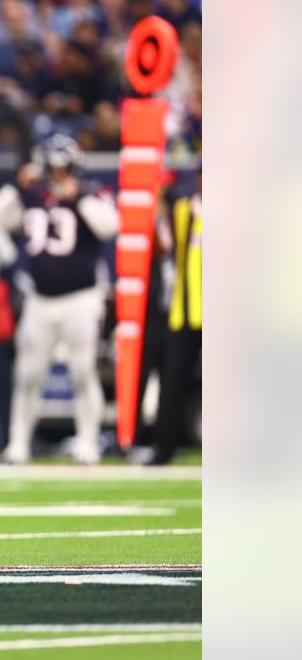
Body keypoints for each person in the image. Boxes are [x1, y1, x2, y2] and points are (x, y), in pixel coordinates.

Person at [0, 135, 120, 465]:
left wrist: (80, 198)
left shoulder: (93, 194)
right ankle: (18, 445)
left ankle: (87, 443)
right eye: (53, 169)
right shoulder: (32, 197)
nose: (58, 175)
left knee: (82, 371)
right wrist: (17, 188)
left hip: (81, 300)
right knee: (29, 374)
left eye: (64, 169)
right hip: (39, 302)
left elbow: (110, 226)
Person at [149, 168, 201, 465]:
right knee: (172, 380)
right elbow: (164, 246)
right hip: (184, 309)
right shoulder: (182, 210)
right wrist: (157, 208)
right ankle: (163, 447)